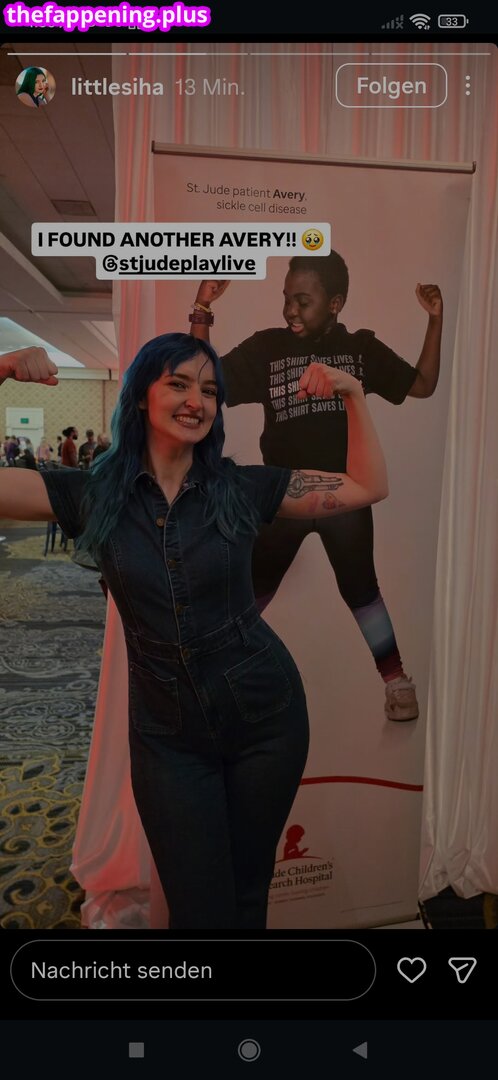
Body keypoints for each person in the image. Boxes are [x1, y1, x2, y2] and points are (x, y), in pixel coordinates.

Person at [0, 337, 387, 930]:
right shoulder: (94, 495)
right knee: (198, 911)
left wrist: (353, 394)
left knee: (248, 897)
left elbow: (366, 486)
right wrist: (1, 369)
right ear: (140, 397)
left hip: (266, 719)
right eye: (178, 383)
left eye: (209, 390)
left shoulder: (244, 487)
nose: (196, 401)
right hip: (168, 739)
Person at [190, 253, 443, 722]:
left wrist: (435, 320)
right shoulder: (267, 348)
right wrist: (202, 311)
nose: (290, 310)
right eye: (287, 299)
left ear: (335, 303)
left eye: (303, 301)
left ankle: (396, 681)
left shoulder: (360, 349)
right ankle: (208, 675)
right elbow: (202, 382)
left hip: (345, 495)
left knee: (362, 591)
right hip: (282, 496)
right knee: (251, 593)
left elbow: (424, 384)